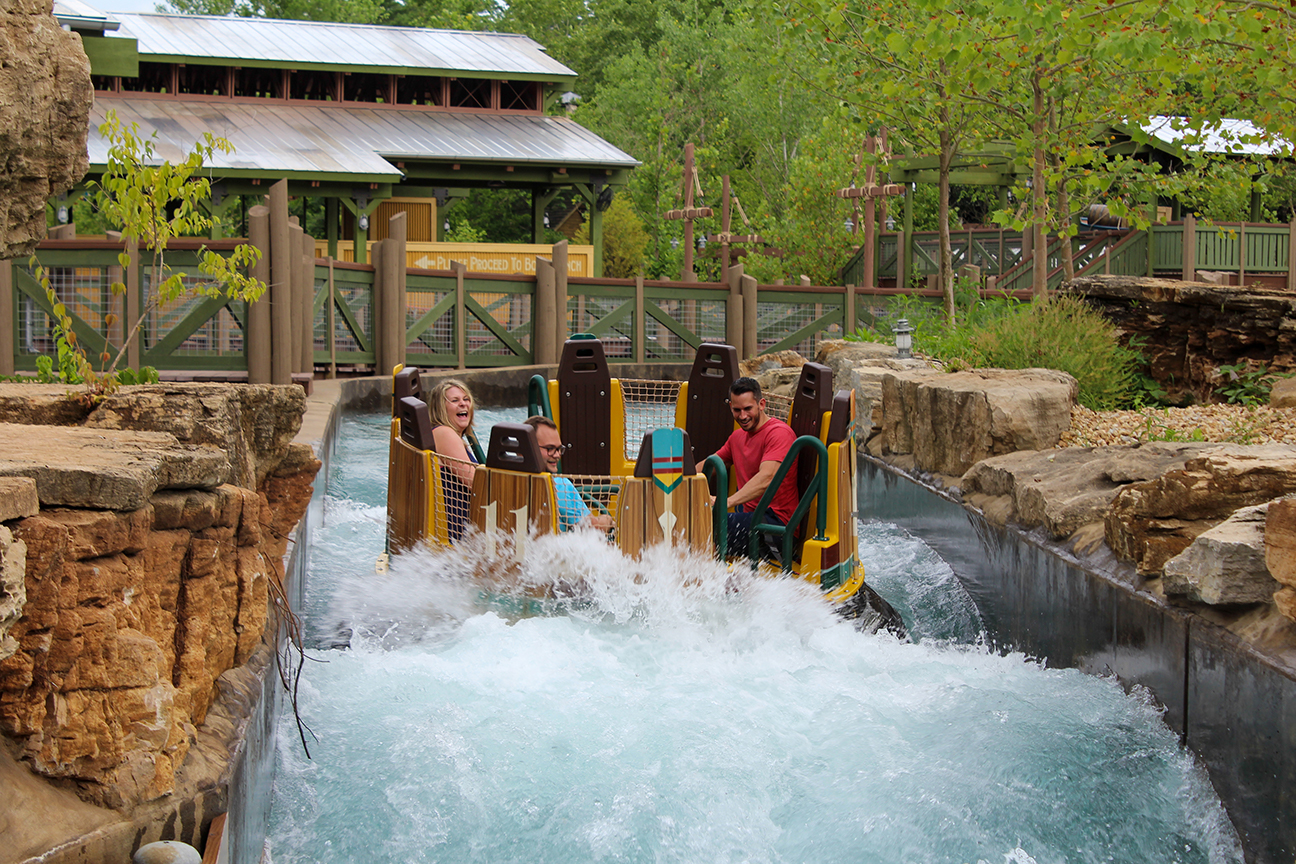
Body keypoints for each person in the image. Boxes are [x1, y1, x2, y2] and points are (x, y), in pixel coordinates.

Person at [703, 377, 798, 562]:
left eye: (748, 409)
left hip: (775, 525)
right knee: (693, 521)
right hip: (751, 519)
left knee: (706, 527)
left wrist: (725, 502)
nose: (743, 416)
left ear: (761, 404)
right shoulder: (737, 437)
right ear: (730, 407)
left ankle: (707, 583)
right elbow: (710, 465)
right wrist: (681, 480)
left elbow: (767, 478)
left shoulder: (778, 434)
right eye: (737, 410)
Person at [524, 415, 614, 532]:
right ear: (530, 447)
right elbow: (594, 531)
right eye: (550, 449)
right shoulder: (559, 486)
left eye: (559, 449)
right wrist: (607, 520)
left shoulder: (499, 481)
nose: (557, 455)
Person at [429, 379, 480, 541]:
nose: (463, 404)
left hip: (466, 525)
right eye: (455, 400)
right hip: (457, 534)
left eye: (466, 399)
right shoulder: (444, 433)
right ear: (440, 408)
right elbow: (475, 482)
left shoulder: (452, 436)